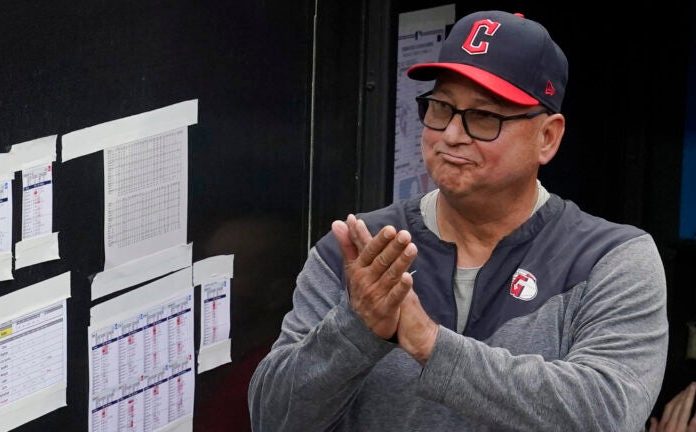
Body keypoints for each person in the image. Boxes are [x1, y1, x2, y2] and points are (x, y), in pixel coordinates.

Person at [248, 10, 669, 431]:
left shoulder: (610, 260)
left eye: (484, 116)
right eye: (441, 107)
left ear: (548, 137)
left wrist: (430, 344)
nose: (451, 134)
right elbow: (273, 419)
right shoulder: (363, 251)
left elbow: (607, 415)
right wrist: (356, 329)